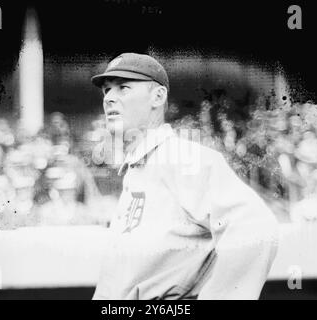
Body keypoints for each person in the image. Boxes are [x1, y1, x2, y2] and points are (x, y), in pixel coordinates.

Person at [90, 52, 279, 300]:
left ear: (158, 97)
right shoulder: (139, 165)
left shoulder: (181, 157)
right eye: (106, 91)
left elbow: (255, 228)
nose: (110, 98)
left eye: (123, 88)